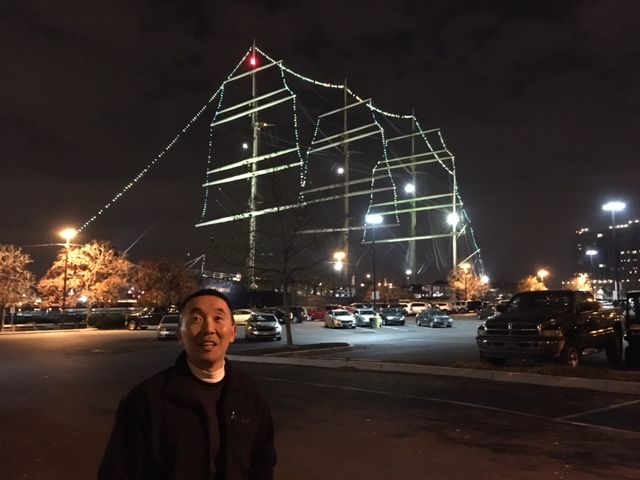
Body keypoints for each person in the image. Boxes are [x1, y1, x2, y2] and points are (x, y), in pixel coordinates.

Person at [98, 289, 277, 480]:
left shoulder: (249, 393)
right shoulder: (146, 399)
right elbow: (118, 472)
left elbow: (262, 464)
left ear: (233, 332)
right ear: (180, 335)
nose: (208, 329)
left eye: (218, 318)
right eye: (196, 319)